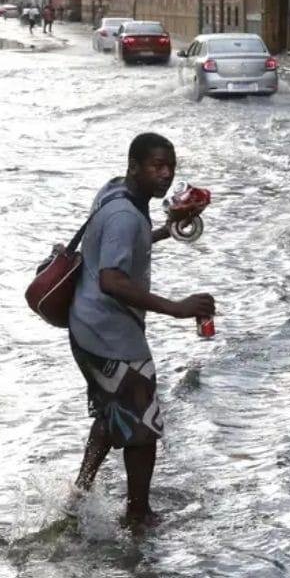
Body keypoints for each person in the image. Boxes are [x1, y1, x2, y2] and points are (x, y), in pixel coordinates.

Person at [68, 133, 214, 526]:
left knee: (113, 409)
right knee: (144, 425)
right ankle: (138, 515)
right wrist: (176, 308)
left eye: (171, 167)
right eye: (156, 166)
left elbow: (121, 244)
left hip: (85, 327)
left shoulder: (116, 192)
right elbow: (112, 280)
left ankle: (80, 492)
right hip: (110, 335)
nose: (166, 175)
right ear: (134, 166)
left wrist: (168, 229)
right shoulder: (126, 216)